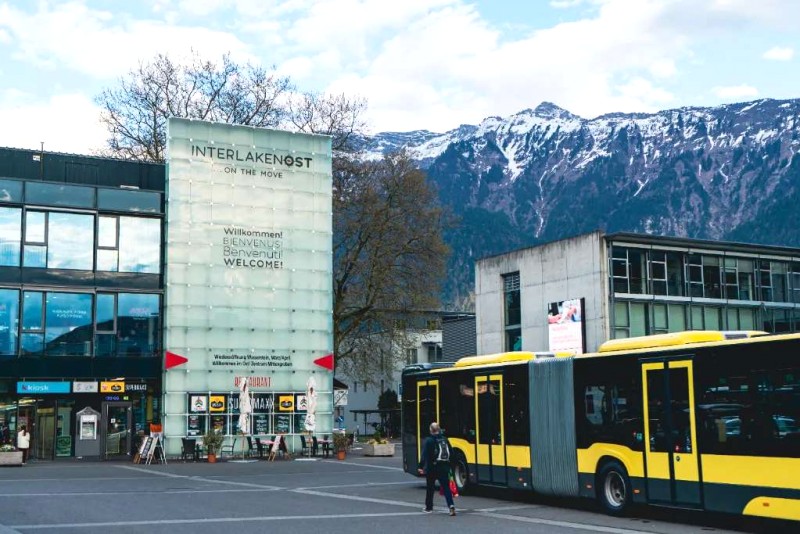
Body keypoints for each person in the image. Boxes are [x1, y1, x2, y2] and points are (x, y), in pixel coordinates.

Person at [417, 421, 455, 516]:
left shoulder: (429, 440)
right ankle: (451, 506)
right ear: (439, 430)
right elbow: (452, 453)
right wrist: (450, 466)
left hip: (432, 467)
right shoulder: (445, 439)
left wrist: (420, 466)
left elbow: (424, 455)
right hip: (444, 467)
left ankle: (429, 507)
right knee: (446, 487)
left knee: (430, 488)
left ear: (431, 430)